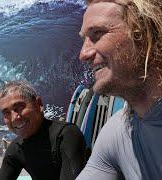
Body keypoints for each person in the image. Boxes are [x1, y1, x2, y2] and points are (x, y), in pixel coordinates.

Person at [77, 0, 162, 179]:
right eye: (84, 39)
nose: (83, 54)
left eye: (97, 33)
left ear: (145, 33)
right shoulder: (118, 131)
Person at [0, 80, 86, 180]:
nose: (14, 118)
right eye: (6, 113)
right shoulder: (17, 148)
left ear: (39, 104)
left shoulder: (66, 135)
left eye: (20, 107)